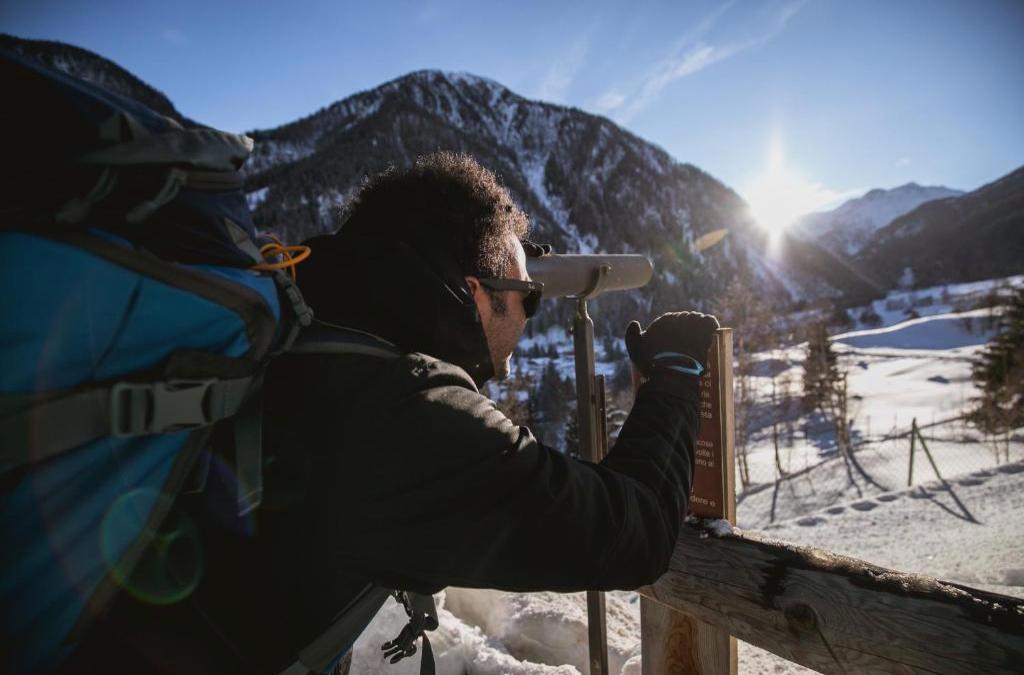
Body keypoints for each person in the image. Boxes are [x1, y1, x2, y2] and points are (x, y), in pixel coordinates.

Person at [63, 152, 718, 674]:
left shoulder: (300, 337)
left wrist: (518, 266)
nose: (528, 317)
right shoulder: (405, 416)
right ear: (476, 294)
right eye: (528, 297)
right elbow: (635, 533)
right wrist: (677, 372)